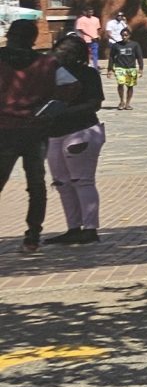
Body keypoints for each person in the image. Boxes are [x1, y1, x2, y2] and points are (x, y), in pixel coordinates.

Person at [34, 33, 105, 246]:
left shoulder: (88, 74)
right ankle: (73, 228)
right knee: (62, 183)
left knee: (82, 180)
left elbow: (95, 103)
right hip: (54, 133)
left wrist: (63, 112)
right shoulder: (49, 73)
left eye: (68, 51)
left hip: (81, 130)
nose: (61, 54)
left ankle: (90, 229)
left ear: (77, 54)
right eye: (59, 49)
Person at [0, 18, 49, 251]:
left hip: (4, 130)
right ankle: (33, 236)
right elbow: (70, 89)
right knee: (37, 185)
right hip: (35, 131)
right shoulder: (45, 63)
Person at [107, 28, 143, 110]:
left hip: (131, 68)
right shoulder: (116, 45)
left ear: (129, 36)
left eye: (126, 35)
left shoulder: (135, 45)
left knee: (130, 86)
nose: (124, 37)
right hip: (120, 68)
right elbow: (111, 57)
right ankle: (121, 101)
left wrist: (141, 68)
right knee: (120, 84)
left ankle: (128, 103)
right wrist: (110, 69)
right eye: (123, 35)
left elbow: (139, 57)